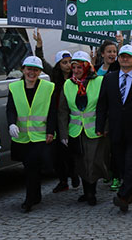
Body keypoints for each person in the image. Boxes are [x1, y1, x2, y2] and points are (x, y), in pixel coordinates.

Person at [96, 45, 132, 212]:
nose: (125, 59)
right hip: (115, 129)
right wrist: (100, 125)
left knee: (131, 163)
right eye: (122, 56)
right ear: (118, 59)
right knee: (120, 164)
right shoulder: (109, 78)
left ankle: (123, 195)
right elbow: (102, 104)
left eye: (129, 56)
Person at [7, 56, 56, 212]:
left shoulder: (49, 87)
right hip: (22, 135)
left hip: (40, 135)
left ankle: (29, 200)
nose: (32, 73)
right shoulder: (14, 87)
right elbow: (11, 109)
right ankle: (36, 195)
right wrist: (11, 123)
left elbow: (52, 112)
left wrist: (50, 130)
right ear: (23, 69)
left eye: (35, 70)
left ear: (40, 72)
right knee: (30, 166)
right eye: (29, 69)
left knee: (31, 165)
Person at [59, 51, 107, 206]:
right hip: (76, 130)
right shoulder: (68, 84)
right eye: (74, 68)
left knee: (92, 161)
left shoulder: (100, 81)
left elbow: (106, 107)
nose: (76, 71)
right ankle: (86, 191)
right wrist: (64, 134)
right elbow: (63, 111)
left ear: (87, 67)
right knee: (80, 162)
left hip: (94, 130)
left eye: (79, 67)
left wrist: (105, 127)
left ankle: (91, 192)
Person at [50, 50, 80, 193]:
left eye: (70, 62)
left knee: (71, 151)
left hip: (72, 119)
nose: (68, 66)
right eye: (64, 63)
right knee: (57, 153)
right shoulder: (54, 80)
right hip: (56, 119)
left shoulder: (77, 78)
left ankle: (74, 173)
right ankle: (63, 180)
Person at [95, 40, 122, 192]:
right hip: (99, 111)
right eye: (109, 51)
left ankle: (117, 175)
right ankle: (107, 171)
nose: (112, 54)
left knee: (115, 147)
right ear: (103, 53)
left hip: (113, 113)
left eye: (114, 51)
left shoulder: (118, 68)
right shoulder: (96, 69)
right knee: (103, 148)